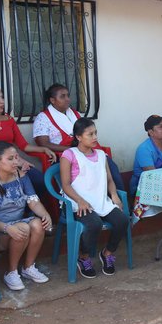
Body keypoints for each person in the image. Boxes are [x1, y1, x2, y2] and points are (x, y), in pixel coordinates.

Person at [0, 142, 52, 291]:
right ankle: (11, 272)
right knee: (23, 227)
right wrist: (7, 228)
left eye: (17, 157)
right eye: (10, 159)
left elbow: (33, 202)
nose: (16, 162)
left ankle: (28, 267)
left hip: (19, 223)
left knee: (38, 223)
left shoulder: (21, 176)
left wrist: (45, 214)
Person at [60, 118, 130, 278]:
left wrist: (114, 195)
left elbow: (110, 180)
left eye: (95, 133)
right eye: (90, 134)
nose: (95, 137)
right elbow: (66, 185)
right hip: (77, 202)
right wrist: (80, 200)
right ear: (78, 137)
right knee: (94, 224)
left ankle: (107, 253)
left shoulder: (101, 155)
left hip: (100, 200)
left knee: (122, 220)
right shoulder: (69, 155)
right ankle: (83, 257)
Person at [0, 82, 56, 197]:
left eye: (2, 97)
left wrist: (44, 149)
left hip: (15, 161)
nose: (2, 101)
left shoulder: (8, 119)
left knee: (41, 181)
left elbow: (23, 145)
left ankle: (31, 210)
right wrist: (12, 161)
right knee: (20, 182)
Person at [33, 83, 123, 190]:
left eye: (67, 95)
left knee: (112, 169)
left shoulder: (74, 114)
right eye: (62, 96)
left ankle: (118, 199)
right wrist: (73, 149)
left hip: (87, 149)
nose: (67, 99)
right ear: (52, 100)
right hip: (66, 154)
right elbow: (44, 143)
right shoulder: (43, 118)